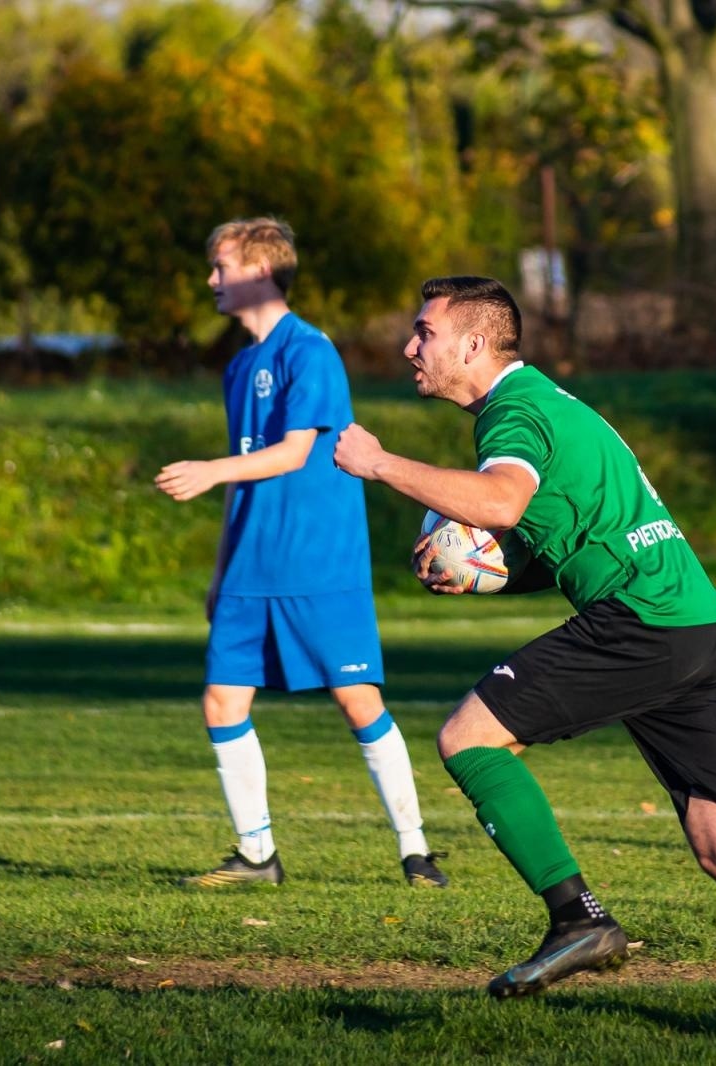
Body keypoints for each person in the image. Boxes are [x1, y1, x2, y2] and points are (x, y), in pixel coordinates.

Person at [332, 276, 716, 1047]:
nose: (410, 346)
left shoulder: (515, 413)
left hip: (644, 622)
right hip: (692, 623)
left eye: (425, 332)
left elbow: (502, 505)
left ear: (473, 345)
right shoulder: (545, 406)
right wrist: (496, 572)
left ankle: (576, 919)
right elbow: (558, 535)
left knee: (467, 738)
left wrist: (379, 463)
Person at [155, 217, 446, 889]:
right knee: (222, 702)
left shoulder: (310, 352)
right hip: (250, 567)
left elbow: (294, 452)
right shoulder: (237, 366)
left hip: (318, 562)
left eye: (220, 265)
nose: (212, 280)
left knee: (356, 700)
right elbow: (247, 477)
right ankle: (258, 856)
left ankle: (415, 850)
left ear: (259, 271)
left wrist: (208, 468)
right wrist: (221, 571)